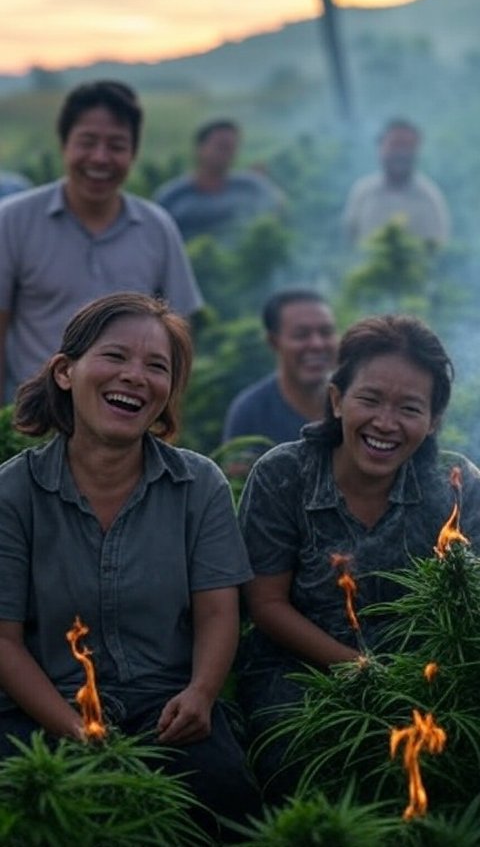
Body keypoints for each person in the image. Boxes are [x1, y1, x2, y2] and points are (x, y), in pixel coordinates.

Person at [0, 292, 260, 840]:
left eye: (157, 366)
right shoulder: (14, 492)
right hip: (45, 708)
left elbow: (218, 613)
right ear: (66, 373)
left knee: (227, 803)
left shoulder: (200, 485)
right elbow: (4, 642)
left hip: (168, 710)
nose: (135, 376)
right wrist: (76, 729)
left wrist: (202, 694)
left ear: (168, 393)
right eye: (116, 356)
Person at [236, 313, 480, 802]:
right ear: (336, 400)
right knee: (301, 772)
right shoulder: (284, 475)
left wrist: (421, 682)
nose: (385, 423)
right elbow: (266, 605)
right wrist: (364, 671)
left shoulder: (454, 485)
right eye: (369, 399)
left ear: (432, 422)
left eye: (410, 408)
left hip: (425, 677)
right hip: (300, 672)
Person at [0, 80, 203, 406]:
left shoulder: (156, 227)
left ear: (133, 153)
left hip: (124, 417)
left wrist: (166, 420)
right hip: (34, 418)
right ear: (64, 145)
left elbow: (178, 337)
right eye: (87, 142)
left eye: (116, 146)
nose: (100, 157)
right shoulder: (12, 220)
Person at [222, 288, 338, 446]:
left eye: (326, 332)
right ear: (273, 342)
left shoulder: (356, 401)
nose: (317, 344)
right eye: (301, 335)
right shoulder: (250, 413)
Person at [153, 119, 285, 243]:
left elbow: (279, 209)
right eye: (221, 146)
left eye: (232, 147)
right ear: (200, 148)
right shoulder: (172, 197)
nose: (228, 153)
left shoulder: (250, 186)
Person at [343, 119, 450, 247]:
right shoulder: (363, 192)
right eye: (395, 145)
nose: (401, 153)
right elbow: (350, 239)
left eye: (407, 146)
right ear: (380, 147)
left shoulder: (429, 197)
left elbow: (436, 247)